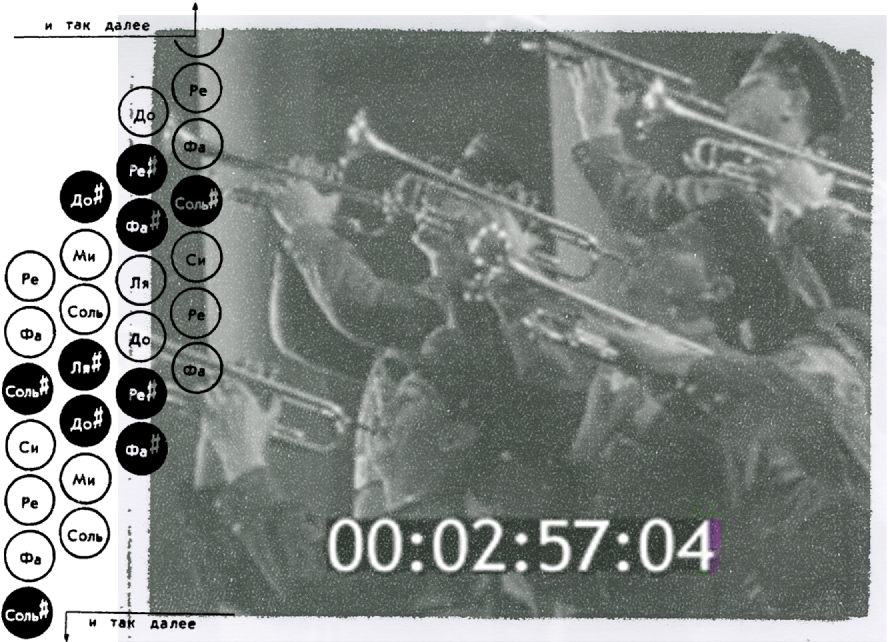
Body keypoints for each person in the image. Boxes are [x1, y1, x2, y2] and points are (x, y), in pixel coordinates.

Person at [197, 134, 588, 616]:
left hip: (429, 536)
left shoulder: (483, 318)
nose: (430, 197)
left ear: (510, 211)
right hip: (397, 524)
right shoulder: (438, 315)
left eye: (455, 190)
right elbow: (303, 335)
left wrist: (306, 225)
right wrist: (293, 232)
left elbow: (360, 308)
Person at [568, 34, 871, 354]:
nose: (729, 99)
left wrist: (815, 214)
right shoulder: (731, 189)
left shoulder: (846, 203)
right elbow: (646, 206)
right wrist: (598, 128)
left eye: (749, 86)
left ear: (792, 102)